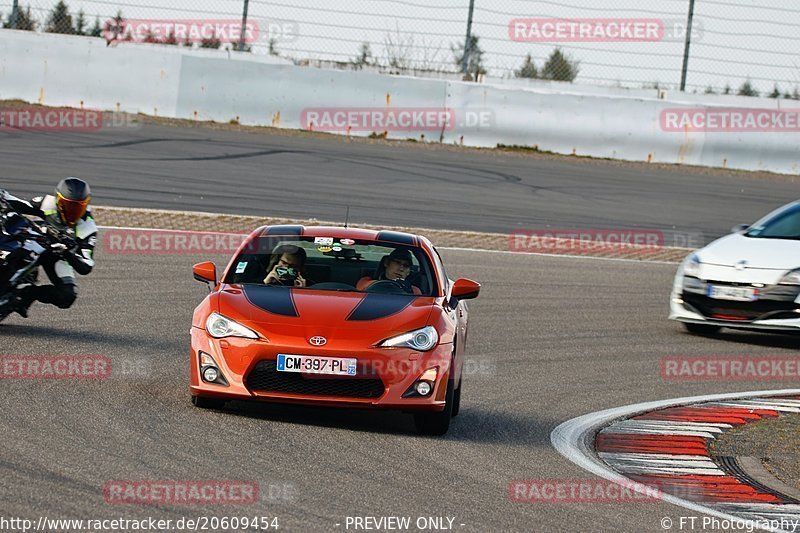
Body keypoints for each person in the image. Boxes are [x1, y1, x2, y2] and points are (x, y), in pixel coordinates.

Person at [1, 178, 96, 318]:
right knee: (11, 252)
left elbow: (86, 265)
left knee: (67, 296)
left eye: (79, 206)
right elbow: (21, 204)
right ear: (58, 200)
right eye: (68, 205)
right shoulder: (48, 203)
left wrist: (66, 252)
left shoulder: (87, 227)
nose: (73, 211)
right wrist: (3, 198)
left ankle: (26, 294)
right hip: (37, 240)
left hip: (60, 255)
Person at [356, 248, 421, 294]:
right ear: (386, 263)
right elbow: (360, 288)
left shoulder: (414, 291)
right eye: (397, 263)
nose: (401, 269)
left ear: (408, 272)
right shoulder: (366, 281)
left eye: (406, 265)